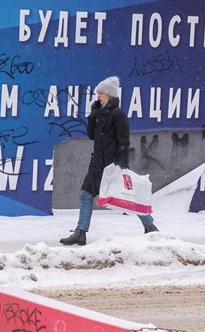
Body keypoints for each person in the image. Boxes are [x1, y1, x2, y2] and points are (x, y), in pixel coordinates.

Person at [59, 76, 158, 246]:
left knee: (128, 197)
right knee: (86, 194)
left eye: (101, 93)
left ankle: (150, 226)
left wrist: (122, 165)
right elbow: (91, 135)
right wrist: (93, 114)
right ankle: (80, 232)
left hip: (112, 165)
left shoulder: (118, 114)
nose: (98, 95)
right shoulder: (99, 113)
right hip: (96, 163)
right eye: (98, 93)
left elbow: (124, 140)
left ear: (109, 95)